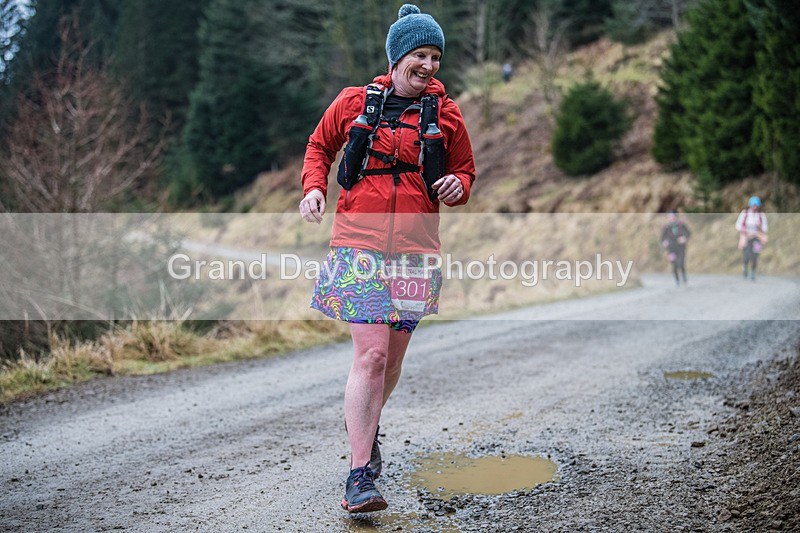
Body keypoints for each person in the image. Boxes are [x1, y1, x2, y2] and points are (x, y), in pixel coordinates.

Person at [298, 4, 475, 514]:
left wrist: (455, 186)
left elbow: (465, 173)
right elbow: (318, 147)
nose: (430, 64)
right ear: (398, 57)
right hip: (359, 243)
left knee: (391, 362)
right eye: (420, 54)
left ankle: (365, 424)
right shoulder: (355, 102)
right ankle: (359, 476)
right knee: (371, 355)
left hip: (417, 250)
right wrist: (314, 190)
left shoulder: (447, 114)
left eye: (436, 56)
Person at [735, 196, 768, 281]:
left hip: (757, 237)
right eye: (753, 205)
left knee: (755, 255)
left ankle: (753, 271)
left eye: (756, 205)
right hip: (746, 237)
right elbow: (738, 225)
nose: (755, 207)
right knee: (746, 255)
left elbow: (765, 228)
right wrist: (744, 230)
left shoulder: (761, 215)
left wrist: (759, 227)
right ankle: (745, 267)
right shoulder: (745, 213)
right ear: (750, 205)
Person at [661, 209, 691, 286]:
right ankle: (677, 281)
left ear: (675, 216)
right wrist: (664, 242)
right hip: (671, 248)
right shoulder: (666, 227)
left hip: (681, 247)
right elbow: (662, 238)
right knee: (673, 264)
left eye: (672, 216)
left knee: (681, 263)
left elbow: (688, 233)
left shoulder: (681, 225)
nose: (670, 218)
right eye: (669, 217)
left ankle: (684, 278)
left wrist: (684, 238)